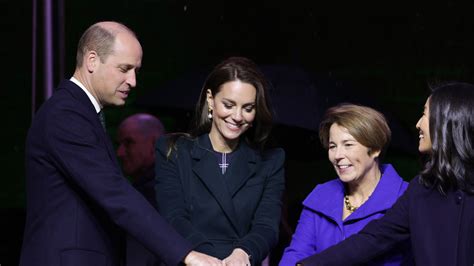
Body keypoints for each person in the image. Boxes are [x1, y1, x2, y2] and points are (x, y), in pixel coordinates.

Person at [20, 21, 220, 266]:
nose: (133, 81)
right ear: (92, 60)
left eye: (135, 70)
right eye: (124, 69)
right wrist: (187, 254)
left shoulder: (78, 113)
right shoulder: (65, 114)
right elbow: (115, 193)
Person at [297, 82, 474, 266]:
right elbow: (373, 238)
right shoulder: (420, 190)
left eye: (425, 114)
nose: (418, 124)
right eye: (333, 146)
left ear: (448, 122)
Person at [154, 56, 286, 265]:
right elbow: (173, 217)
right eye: (229, 104)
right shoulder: (174, 151)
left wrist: (243, 253)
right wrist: (206, 258)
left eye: (248, 108)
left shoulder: (270, 161)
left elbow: (267, 225)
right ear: (210, 99)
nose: (237, 116)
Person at [279, 104, 412, 266]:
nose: (337, 155)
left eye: (348, 145)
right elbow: (297, 253)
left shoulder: (406, 197)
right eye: (332, 146)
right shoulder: (320, 197)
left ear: (376, 148)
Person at [116, 113, 165, 266]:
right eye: (119, 144)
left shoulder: (159, 194)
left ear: (154, 144)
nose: (120, 152)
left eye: (129, 143)